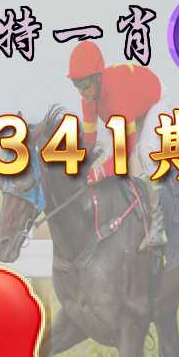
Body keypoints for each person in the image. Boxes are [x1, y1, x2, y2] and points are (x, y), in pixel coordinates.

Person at [67, 40, 167, 249]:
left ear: (97, 78)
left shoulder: (116, 93)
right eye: (76, 85)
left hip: (153, 104)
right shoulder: (88, 100)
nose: (81, 92)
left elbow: (125, 151)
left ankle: (160, 226)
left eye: (84, 85)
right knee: (108, 160)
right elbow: (89, 140)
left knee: (145, 152)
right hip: (132, 112)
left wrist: (100, 172)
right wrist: (78, 168)